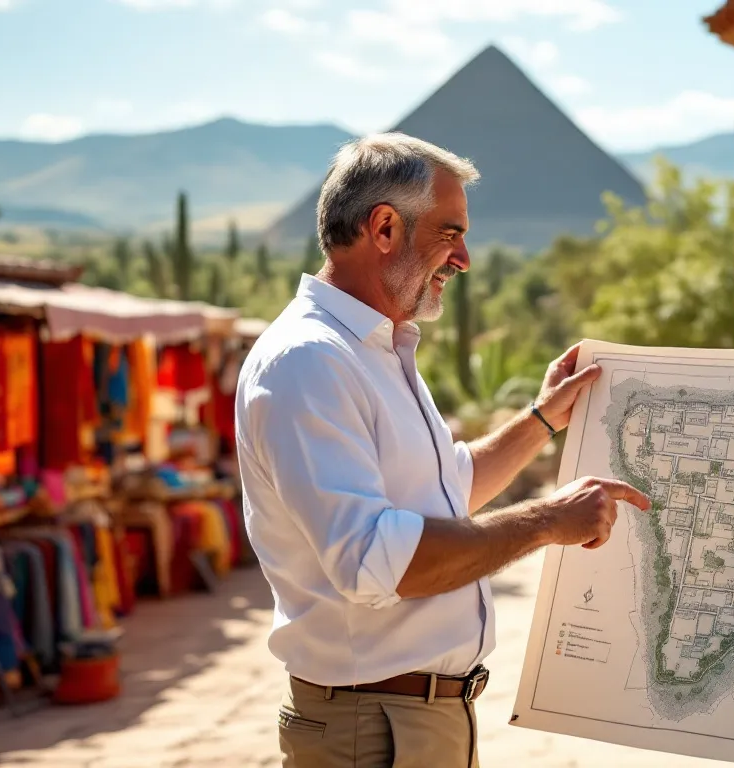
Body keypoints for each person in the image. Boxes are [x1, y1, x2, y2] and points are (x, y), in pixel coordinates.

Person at [235, 132, 650, 768]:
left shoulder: (373, 350)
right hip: (370, 733)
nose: (464, 258)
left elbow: (447, 490)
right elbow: (377, 560)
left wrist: (542, 418)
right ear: (383, 229)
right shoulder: (309, 362)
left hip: (410, 723)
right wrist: (546, 521)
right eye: (450, 232)